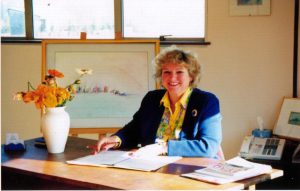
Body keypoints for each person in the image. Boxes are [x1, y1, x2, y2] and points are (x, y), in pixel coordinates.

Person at [89, 46, 223, 159]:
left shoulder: (206, 101)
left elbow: (208, 146)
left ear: (192, 76)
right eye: (167, 72)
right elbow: (134, 130)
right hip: (152, 168)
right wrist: (115, 140)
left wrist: (162, 148)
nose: (172, 78)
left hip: (191, 171)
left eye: (179, 72)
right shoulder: (152, 99)